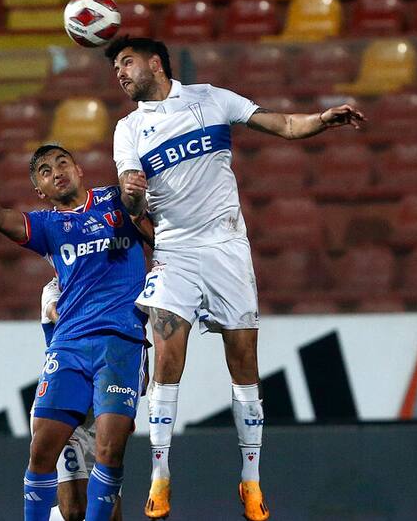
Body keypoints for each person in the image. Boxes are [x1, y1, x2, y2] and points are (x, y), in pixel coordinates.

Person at [104, 36, 366, 521]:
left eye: (126, 62)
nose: (119, 73)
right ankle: (160, 476)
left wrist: (321, 121)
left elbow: (284, 124)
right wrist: (133, 196)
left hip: (226, 248)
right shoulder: (128, 130)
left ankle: (251, 480)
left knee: (244, 362)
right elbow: (133, 205)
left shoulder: (211, 98)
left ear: (155, 63)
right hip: (174, 252)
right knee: (167, 357)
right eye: (115, 67)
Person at [0, 145, 151, 521]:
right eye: (44, 171)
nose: (56, 171)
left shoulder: (114, 200)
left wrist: (135, 197)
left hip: (120, 342)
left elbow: (146, 218)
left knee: (110, 455)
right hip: (69, 348)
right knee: (44, 456)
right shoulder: (47, 227)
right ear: (40, 190)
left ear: (78, 169)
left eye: (61, 163)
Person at [39, 277, 122, 521]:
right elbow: (57, 314)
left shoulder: (119, 292)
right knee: (75, 509)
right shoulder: (54, 290)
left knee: (109, 513)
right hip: (66, 412)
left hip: (102, 415)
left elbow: (141, 377)